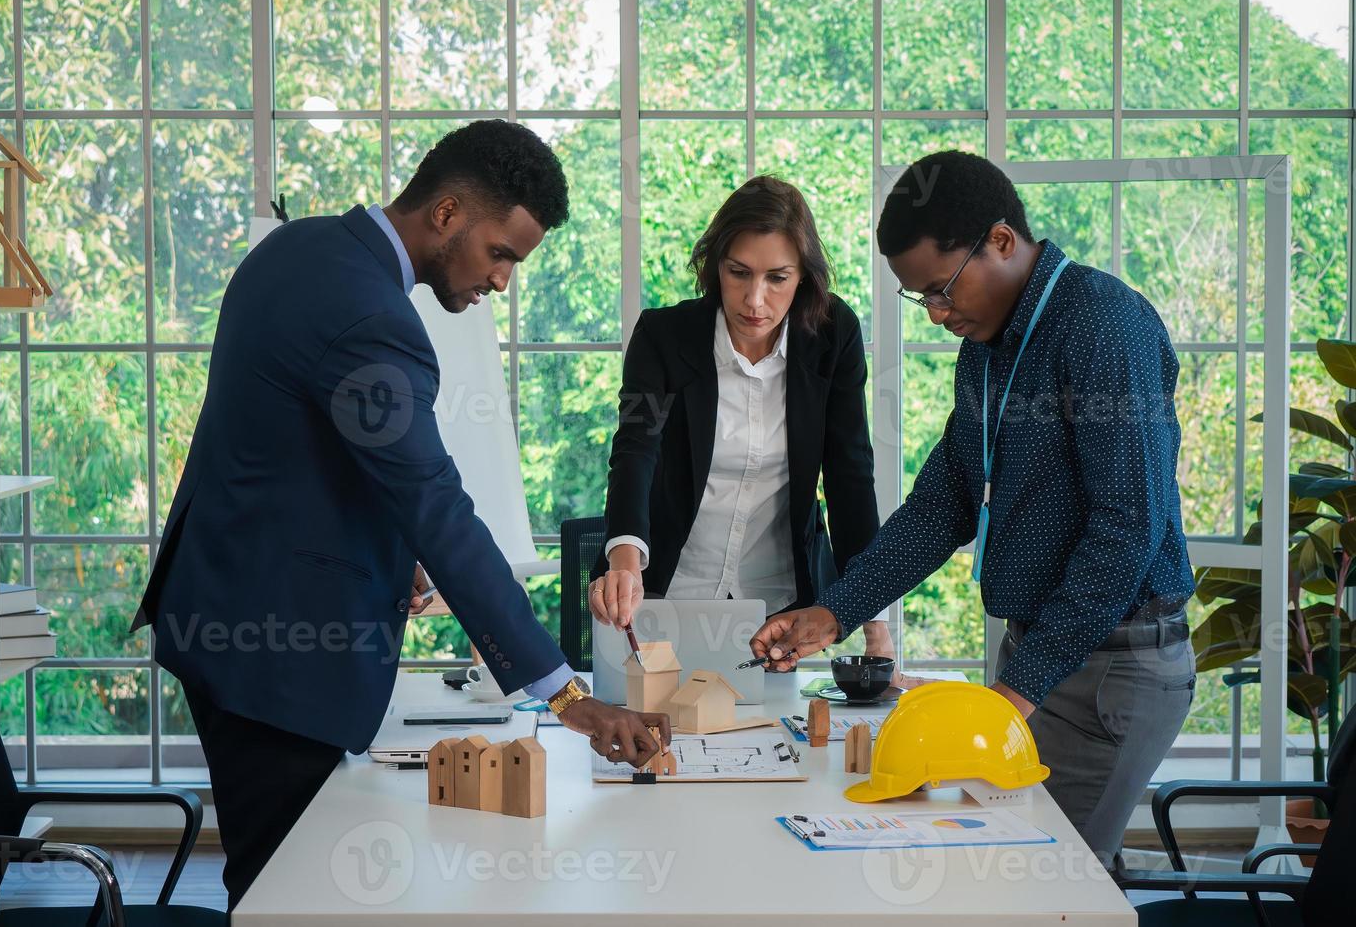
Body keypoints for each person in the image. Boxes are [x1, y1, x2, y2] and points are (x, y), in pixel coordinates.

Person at [132, 121, 670, 911]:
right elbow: (435, 504)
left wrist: (389, 555)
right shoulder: (373, 320)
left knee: (276, 884)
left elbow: (296, 457)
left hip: (227, 612)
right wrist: (566, 695)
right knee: (292, 897)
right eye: (502, 254)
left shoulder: (300, 247)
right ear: (447, 214)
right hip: (276, 658)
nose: (502, 282)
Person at [750, 150, 1196, 871]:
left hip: (1113, 668)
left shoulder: (1102, 327)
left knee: (1044, 887)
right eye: (919, 298)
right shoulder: (987, 351)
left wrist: (1018, 690)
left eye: (941, 289)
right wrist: (832, 613)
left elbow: (1128, 530)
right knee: (996, 880)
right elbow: (943, 504)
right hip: (1041, 656)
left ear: (1000, 241)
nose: (936, 313)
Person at [591, 175, 893, 656]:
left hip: (778, 606)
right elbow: (635, 450)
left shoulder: (833, 335)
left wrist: (874, 623)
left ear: (803, 277)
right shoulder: (664, 336)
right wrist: (625, 563)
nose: (755, 300)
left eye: (777, 278)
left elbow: (849, 474)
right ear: (715, 268)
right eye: (739, 273)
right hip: (667, 593)